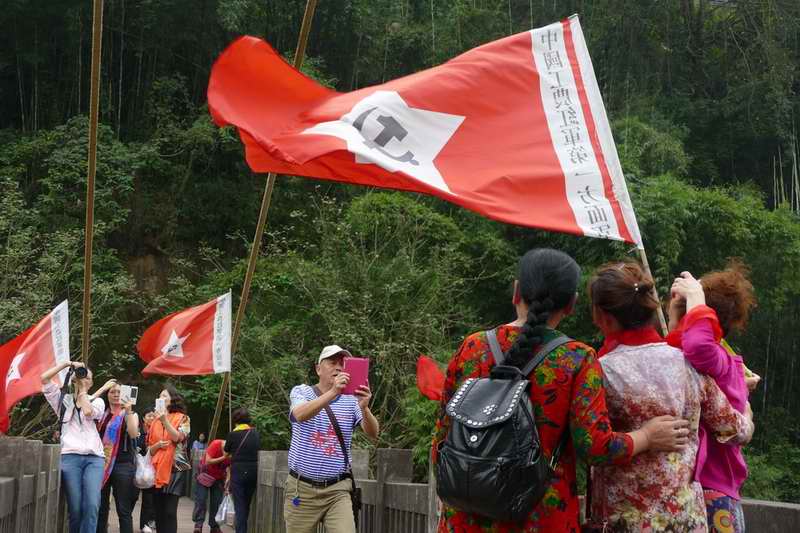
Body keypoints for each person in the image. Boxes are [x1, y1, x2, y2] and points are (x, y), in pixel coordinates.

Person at [432, 248, 689, 532]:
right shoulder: (576, 358)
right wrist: (646, 436)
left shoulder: (472, 347)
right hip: (540, 518)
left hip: (464, 518)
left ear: (517, 292)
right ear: (572, 304)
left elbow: (443, 435)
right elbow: (596, 447)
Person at [587, 260, 755, 531]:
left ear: (602, 317)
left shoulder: (598, 371)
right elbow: (736, 431)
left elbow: (588, 445)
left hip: (623, 521)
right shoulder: (688, 365)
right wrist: (746, 412)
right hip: (684, 519)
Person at [669, 262, 758, 532]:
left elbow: (697, 345)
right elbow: (680, 350)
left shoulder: (718, 360)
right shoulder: (716, 363)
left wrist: (696, 298)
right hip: (705, 490)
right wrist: (676, 319)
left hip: (711, 490)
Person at [284, 345, 379, 533]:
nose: (338, 367)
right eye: (332, 363)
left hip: (337, 490)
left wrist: (365, 408)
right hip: (301, 489)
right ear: (318, 369)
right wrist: (334, 392)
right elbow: (300, 414)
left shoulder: (352, 400)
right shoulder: (301, 392)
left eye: (342, 364)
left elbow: (373, 433)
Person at [40, 360, 116, 533]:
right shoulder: (62, 400)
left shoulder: (97, 402)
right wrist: (67, 364)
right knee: (75, 508)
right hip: (69, 457)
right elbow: (44, 379)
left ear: (92, 382)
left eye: (88, 378)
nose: (85, 380)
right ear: (73, 379)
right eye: (82, 376)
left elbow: (88, 411)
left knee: (91, 505)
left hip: (94, 459)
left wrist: (82, 390)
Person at [96, 382, 141, 533]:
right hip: (102, 464)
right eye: (112, 392)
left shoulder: (130, 414)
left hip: (123, 464)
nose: (115, 394)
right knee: (100, 507)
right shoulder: (101, 414)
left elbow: (134, 434)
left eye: (118, 392)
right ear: (107, 395)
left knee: (123, 509)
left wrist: (128, 411)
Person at [146, 385, 191, 533]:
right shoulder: (154, 422)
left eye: (165, 396)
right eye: (160, 396)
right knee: (159, 512)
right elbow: (149, 450)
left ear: (173, 399)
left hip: (176, 468)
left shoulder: (183, 418)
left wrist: (165, 420)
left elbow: (178, 438)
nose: (161, 398)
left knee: (170, 512)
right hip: (157, 468)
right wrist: (158, 445)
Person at [225, 407, 261, 533]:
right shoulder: (255, 433)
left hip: (238, 470)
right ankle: (242, 529)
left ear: (235, 420)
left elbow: (226, 452)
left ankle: (241, 531)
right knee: (246, 504)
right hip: (253, 470)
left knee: (239, 505)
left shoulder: (232, 434)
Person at [193, 438, 229, 533]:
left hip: (218, 478)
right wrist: (224, 457)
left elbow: (231, 466)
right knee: (201, 499)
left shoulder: (233, 451)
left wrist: (228, 481)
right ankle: (198, 525)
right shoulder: (216, 444)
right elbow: (208, 461)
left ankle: (214, 526)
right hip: (205, 475)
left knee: (217, 502)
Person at [139, 411, 157, 533]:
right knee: (136, 497)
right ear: (143, 418)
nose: (152, 417)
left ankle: (148, 523)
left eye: (153, 415)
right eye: (149, 415)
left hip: (154, 468)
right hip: (140, 468)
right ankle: (144, 523)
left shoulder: (158, 428)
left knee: (150, 497)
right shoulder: (140, 431)